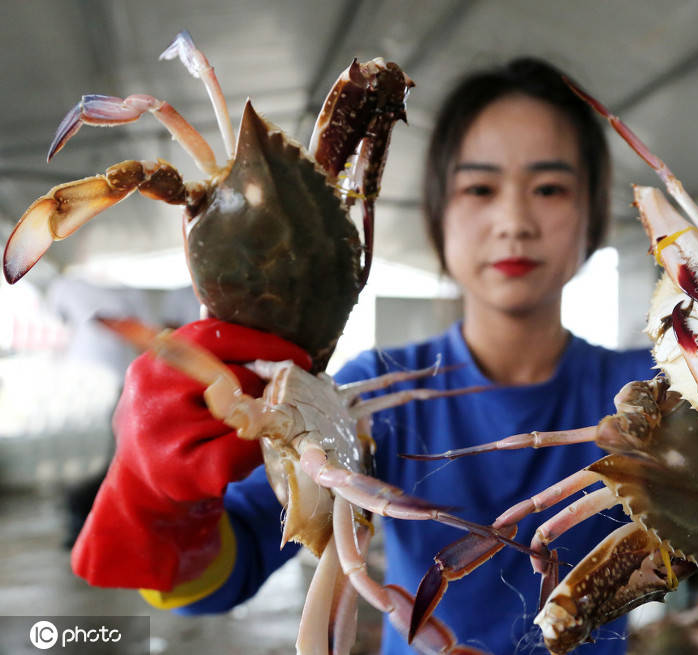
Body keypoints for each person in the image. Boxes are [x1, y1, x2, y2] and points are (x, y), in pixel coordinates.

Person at [70, 57, 654, 655]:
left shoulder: (656, 393)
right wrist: (161, 492)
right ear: (438, 214)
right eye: (480, 187)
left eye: (549, 188)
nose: (514, 221)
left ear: (593, 213)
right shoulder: (368, 390)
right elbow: (219, 578)